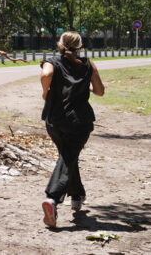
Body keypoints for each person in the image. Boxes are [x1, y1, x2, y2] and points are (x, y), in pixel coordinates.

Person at [38, 31, 105, 228]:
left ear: (60, 44)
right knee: (68, 157)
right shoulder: (88, 64)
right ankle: (53, 198)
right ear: (80, 46)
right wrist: (85, 87)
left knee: (68, 156)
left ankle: (77, 196)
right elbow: (100, 91)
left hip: (54, 120)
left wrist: (45, 92)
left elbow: (46, 74)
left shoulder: (52, 60)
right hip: (79, 121)